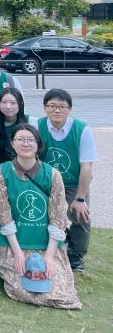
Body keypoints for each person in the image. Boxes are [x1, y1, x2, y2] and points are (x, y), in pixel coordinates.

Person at [0, 124, 81, 309]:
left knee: (60, 293)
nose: (25, 144)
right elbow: (3, 215)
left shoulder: (53, 174)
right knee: (23, 289)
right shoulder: (2, 172)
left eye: (30, 140)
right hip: (13, 243)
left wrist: (49, 256)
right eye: (20, 139)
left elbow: (58, 217)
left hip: (46, 244)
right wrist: (17, 254)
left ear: (38, 145)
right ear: (12, 144)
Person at [37, 89, 97, 272]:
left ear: (69, 109)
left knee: (81, 216)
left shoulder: (82, 129)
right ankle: (44, 246)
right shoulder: (36, 125)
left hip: (72, 182)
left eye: (62, 107)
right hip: (46, 183)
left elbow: (86, 167)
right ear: (45, 108)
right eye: (52, 106)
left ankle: (76, 255)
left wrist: (80, 199)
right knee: (41, 214)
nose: (57, 110)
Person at [0, 88, 37, 165]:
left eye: (13, 103)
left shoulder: (31, 121)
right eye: (4, 102)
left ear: (20, 104)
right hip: (2, 167)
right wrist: (0, 168)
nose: (8, 106)